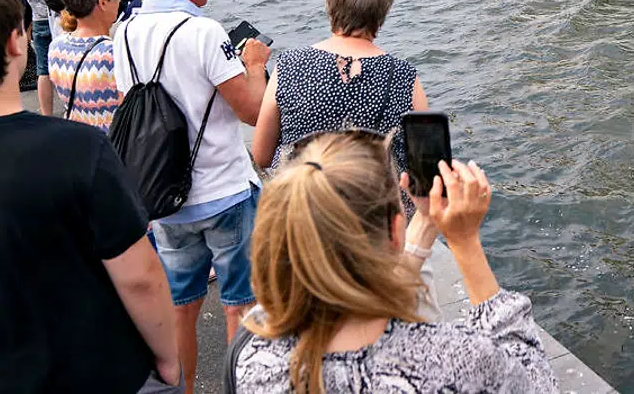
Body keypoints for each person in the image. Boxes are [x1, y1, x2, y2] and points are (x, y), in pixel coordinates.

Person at [0, 0, 180, 392]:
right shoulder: (78, 149)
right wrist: (168, 357)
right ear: (15, 44)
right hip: (91, 371)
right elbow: (138, 276)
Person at [230, 131, 557, 394]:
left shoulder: (255, 353)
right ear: (395, 231)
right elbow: (536, 382)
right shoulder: (452, 358)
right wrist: (465, 243)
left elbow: (345, 286)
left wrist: (427, 220)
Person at [113, 0, 270, 394]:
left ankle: (182, 388)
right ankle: (237, 388)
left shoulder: (125, 29)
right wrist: (256, 64)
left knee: (181, 303)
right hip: (221, 189)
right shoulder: (204, 32)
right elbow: (249, 109)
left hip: (163, 192)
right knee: (238, 303)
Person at [252, 0, 427, 175]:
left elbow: (261, 156)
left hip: (302, 204)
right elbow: (425, 172)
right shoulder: (404, 77)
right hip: (378, 206)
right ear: (385, 8)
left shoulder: (289, 65)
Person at [49, 0, 125, 131]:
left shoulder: (57, 46)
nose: (119, 0)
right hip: (111, 144)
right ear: (103, 2)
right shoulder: (112, 52)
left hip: (78, 139)